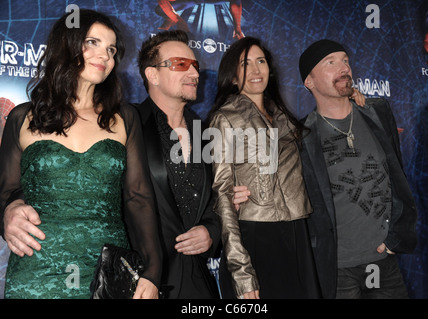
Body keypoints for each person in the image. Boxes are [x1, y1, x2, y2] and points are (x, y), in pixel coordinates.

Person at [0, 9, 161, 299]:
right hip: (36, 272)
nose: (105, 56)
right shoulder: (22, 117)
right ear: (67, 45)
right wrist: (7, 212)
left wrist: (152, 272)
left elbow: (139, 198)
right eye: (93, 43)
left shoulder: (125, 117)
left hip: (106, 276)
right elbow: (6, 192)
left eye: (111, 49)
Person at [298, 39, 417, 298]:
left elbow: (398, 178)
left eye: (345, 61)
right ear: (309, 81)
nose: (343, 68)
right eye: (330, 63)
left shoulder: (377, 112)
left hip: (384, 261)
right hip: (338, 270)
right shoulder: (301, 135)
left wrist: (396, 237)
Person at [208, 37, 322, 299]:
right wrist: (241, 271)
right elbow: (223, 196)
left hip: (297, 235)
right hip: (255, 237)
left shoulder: (283, 115)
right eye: (245, 64)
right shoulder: (225, 118)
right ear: (233, 77)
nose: (256, 70)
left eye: (261, 61)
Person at [133, 30, 221, 299]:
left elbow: (217, 197)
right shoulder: (128, 123)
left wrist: (211, 232)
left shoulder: (205, 132)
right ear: (153, 75)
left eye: (195, 66)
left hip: (197, 280)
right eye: (181, 64)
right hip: (142, 280)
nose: (194, 73)